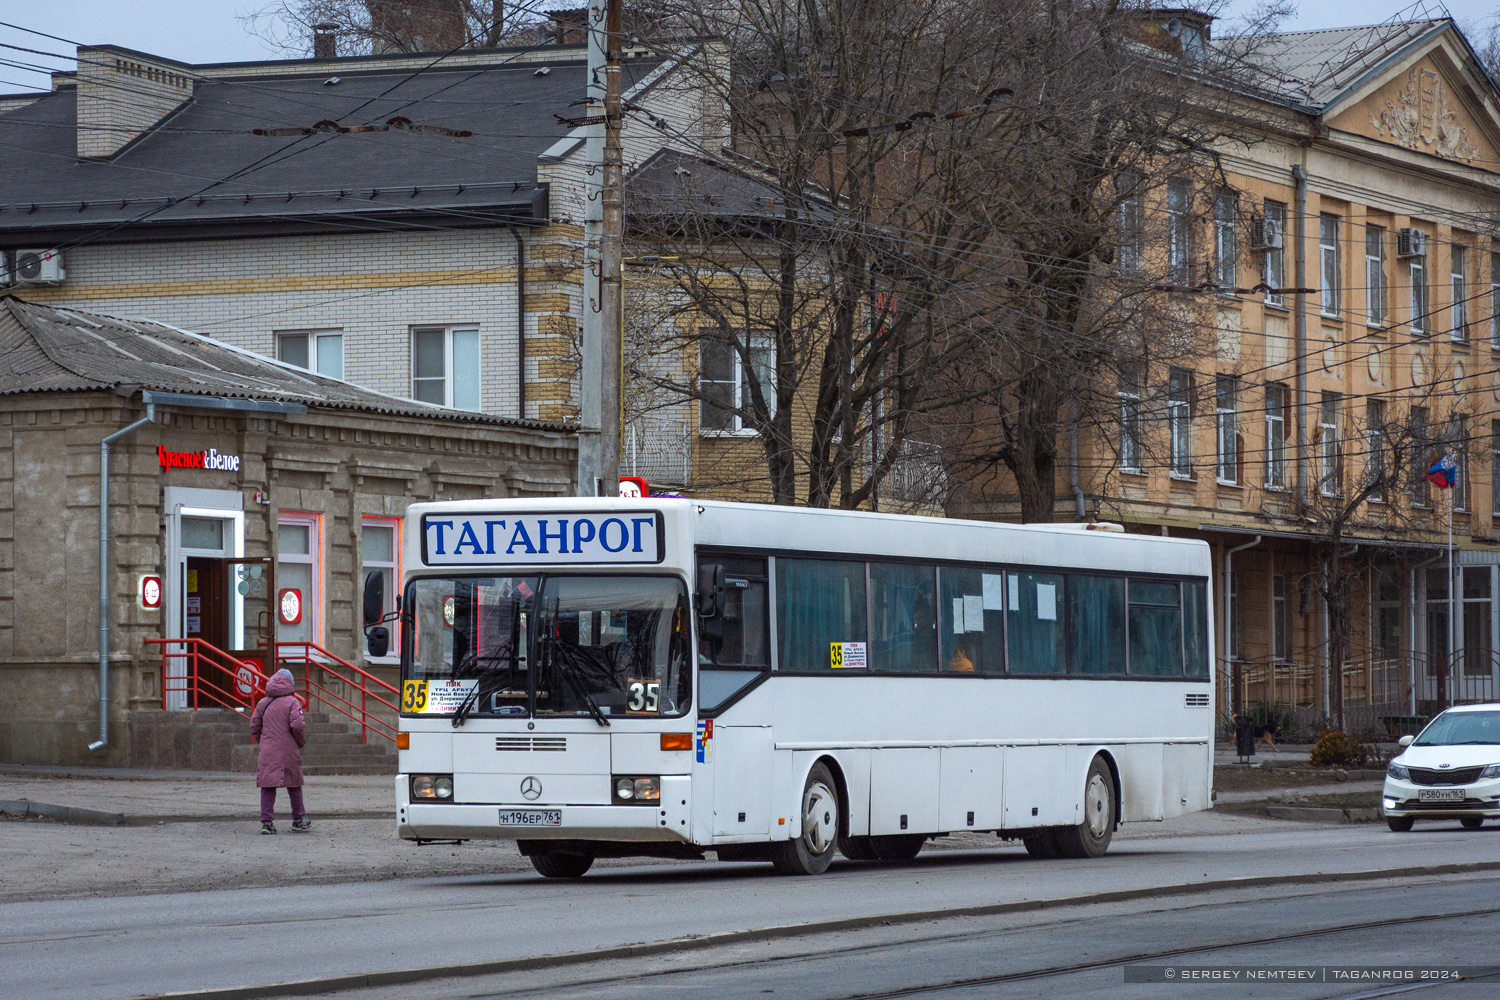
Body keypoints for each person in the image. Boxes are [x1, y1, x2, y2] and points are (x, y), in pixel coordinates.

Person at [249, 668, 310, 834]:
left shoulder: (263, 702)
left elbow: (254, 725)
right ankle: (298, 820)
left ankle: (267, 823)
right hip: (288, 750)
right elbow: (297, 725)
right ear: (289, 683)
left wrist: (264, 741)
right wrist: (300, 741)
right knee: (294, 784)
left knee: (267, 785)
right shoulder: (292, 702)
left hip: (268, 749)